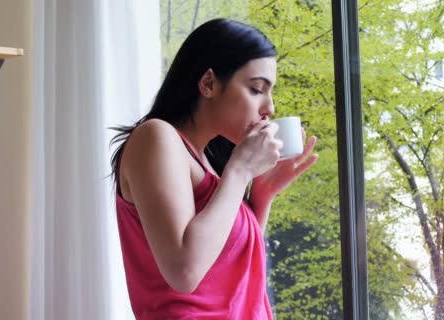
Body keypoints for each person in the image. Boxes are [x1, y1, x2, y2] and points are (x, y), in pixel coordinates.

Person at [110, 18, 318, 320]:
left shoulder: (210, 162)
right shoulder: (156, 137)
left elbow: (229, 269)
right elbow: (185, 270)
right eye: (257, 89)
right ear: (208, 83)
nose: (269, 108)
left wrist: (262, 195)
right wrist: (240, 171)